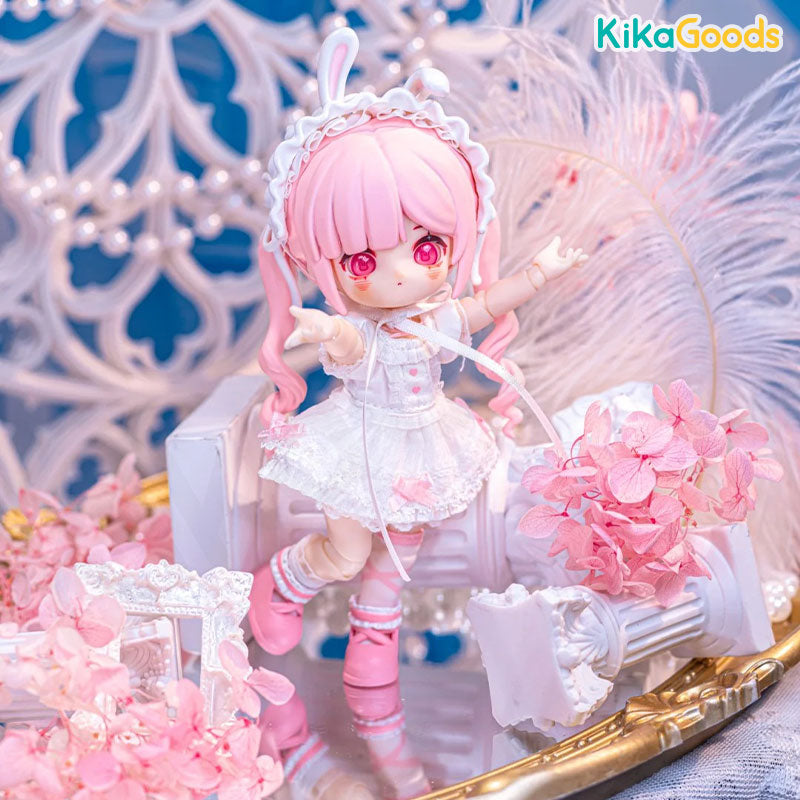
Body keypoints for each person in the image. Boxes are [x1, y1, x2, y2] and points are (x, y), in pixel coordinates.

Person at [249, 27, 586, 687]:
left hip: (422, 437)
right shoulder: (367, 330)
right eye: (363, 260)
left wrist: (538, 274)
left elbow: (483, 305)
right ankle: (284, 581)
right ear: (323, 262)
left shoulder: (434, 319)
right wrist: (327, 330)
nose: (401, 274)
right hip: (360, 443)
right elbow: (352, 345)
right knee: (349, 551)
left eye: (427, 247)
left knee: (405, 539)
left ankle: (375, 632)